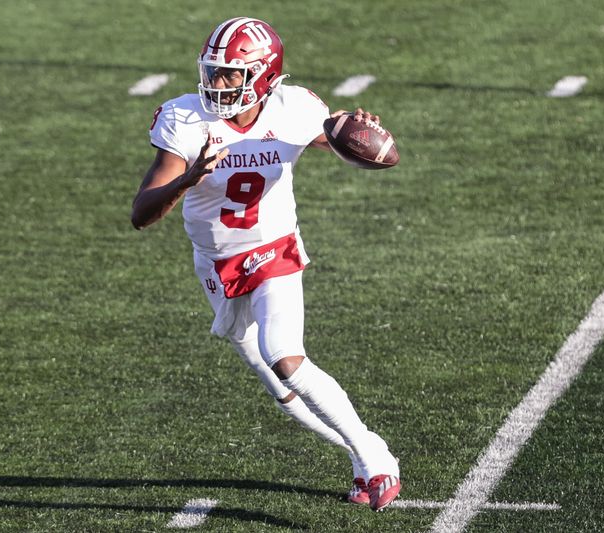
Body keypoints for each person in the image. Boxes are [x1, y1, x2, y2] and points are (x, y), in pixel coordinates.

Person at [131, 17, 401, 511]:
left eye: (232, 75)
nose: (217, 83)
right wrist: (189, 178)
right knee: (275, 379)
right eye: (213, 72)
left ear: (265, 77)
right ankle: (363, 455)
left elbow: (347, 144)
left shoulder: (294, 107)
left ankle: (375, 456)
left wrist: (364, 138)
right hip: (216, 264)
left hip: (274, 247)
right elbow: (141, 215)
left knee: (284, 354)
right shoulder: (184, 119)